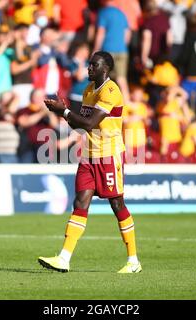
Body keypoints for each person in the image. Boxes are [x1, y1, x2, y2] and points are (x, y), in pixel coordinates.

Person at [38, 51, 141, 273]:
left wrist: (64, 111)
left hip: (109, 155)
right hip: (89, 155)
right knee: (80, 202)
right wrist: (62, 112)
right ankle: (63, 258)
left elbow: (90, 123)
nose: (89, 68)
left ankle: (133, 261)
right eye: (89, 64)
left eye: (94, 65)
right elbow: (80, 125)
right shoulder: (87, 90)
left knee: (117, 205)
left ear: (105, 69)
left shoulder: (111, 91)